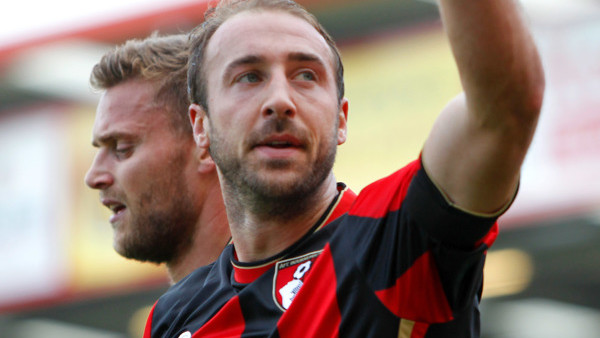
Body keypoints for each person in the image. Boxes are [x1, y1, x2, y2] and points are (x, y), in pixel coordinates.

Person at [145, 0, 545, 336]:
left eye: (306, 75)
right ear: (201, 126)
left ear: (340, 120)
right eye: (249, 77)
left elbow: (502, 112)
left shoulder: (391, 237)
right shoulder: (172, 317)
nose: (280, 100)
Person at [85, 34, 231, 284]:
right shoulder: (172, 318)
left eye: (121, 148)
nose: (93, 177)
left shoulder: (293, 308)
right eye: (99, 149)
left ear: (205, 141)